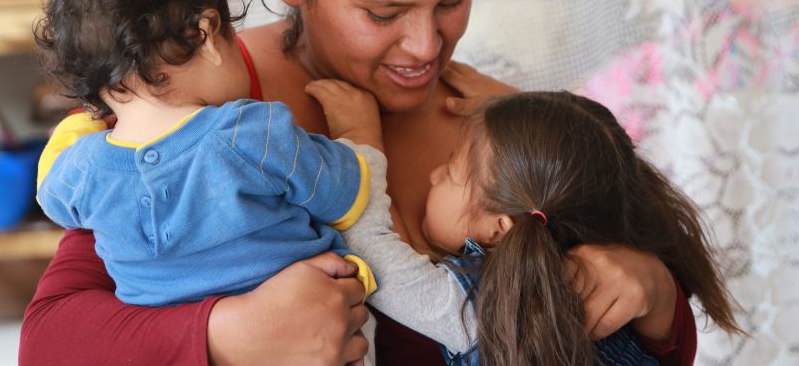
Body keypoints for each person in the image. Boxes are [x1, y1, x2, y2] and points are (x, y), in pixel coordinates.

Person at [20, 0, 696, 366]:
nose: (428, 46)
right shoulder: (182, 104)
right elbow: (49, 344)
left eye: (453, 1)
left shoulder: (498, 124)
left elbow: (656, 346)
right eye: (384, 11)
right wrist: (224, 335)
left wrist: (654, 292)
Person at [32, 0, 380, 307]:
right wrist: (359, 133)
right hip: (317, 330)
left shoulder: (83, 171)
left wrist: (78, 127)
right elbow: (348, 198)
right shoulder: (250, 135)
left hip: (190, 350)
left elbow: (51, 195)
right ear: (208, 33)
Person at [308, 80, 742, 366]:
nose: (434, 175)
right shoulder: (585, 282)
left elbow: (374, 252)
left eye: (452, 171)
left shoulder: (484, 308)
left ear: (498, 228)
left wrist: (358, 142)